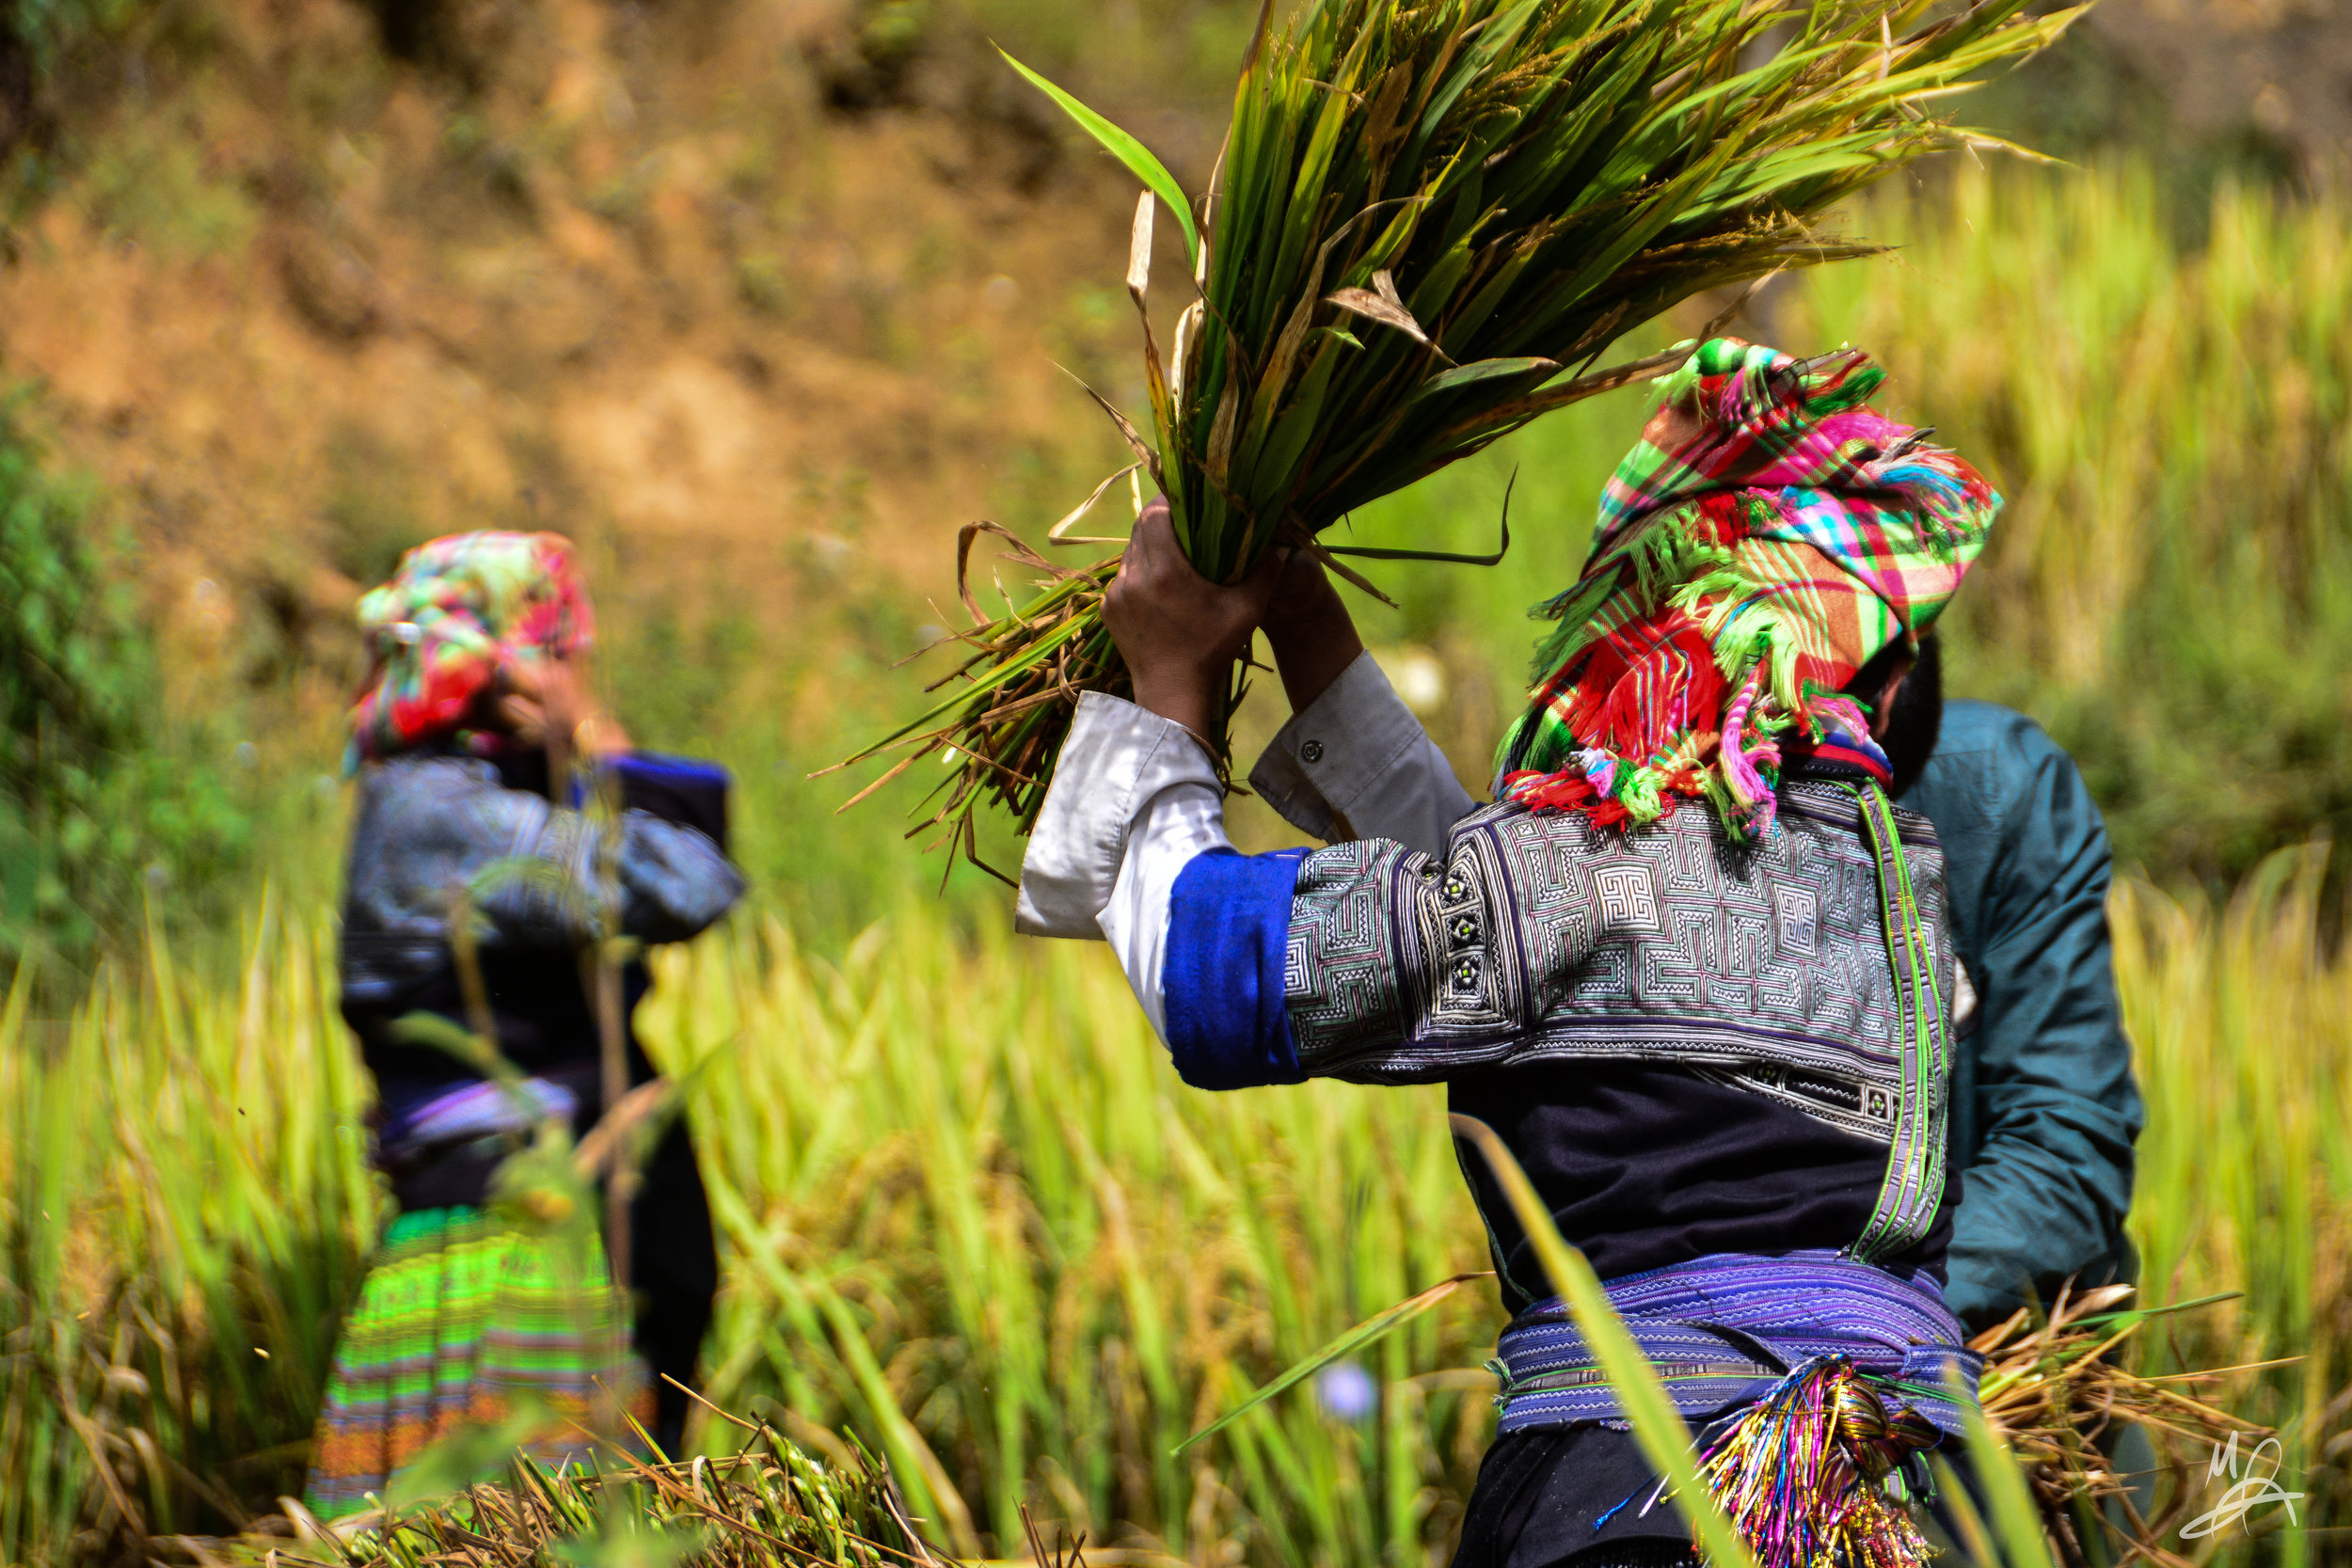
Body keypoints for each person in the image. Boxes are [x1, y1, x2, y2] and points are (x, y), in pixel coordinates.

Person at [1019, 340, 2005, 1567]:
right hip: (1917, 1497)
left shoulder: (1577, 885)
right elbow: (1533, 933)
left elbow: (1208, 973)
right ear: (1888, 674)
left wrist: (1167, 682)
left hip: (1658, 1502)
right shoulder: (1888, 886)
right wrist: (1307, 625)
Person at [306, 531, 743, 1518]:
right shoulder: (442, 814)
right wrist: (592, 731)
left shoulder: (482, 799)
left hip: (554, 1230)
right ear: (502, 669)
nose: (581, 674)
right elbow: (685, 880)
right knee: (518, 1526)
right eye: (561, 652)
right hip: (504, 1253)